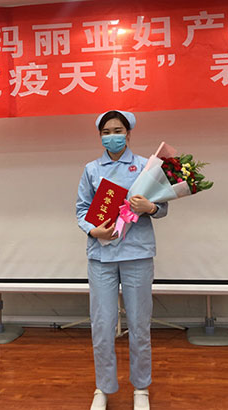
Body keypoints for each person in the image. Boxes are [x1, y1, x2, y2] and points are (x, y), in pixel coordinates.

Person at [76, 110, 168, 410]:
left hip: (137, 254)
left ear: (128, 134)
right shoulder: (91, 169)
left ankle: (141, 387)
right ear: (100, 136)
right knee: (102, 325)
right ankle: (103, 387)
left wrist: (150, 207)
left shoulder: (145, 166)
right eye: (106, 132)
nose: (112, 137)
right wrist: (94, 230)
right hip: (101, 256)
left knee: (139, 324)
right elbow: (81, 209)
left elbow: (163, 208)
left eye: (118, 131)